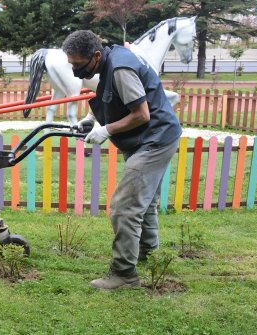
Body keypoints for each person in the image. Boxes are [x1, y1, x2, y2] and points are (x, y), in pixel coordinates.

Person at [61, 30, 182, 290]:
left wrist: (107, 130)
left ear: (95, 55)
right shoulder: (110, 59)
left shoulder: (120, 68)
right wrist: (92, 120)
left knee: (124, 206)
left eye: (78, 65)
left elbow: (141, 114)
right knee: (144, 202)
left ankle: (124, 274)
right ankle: (148, 253)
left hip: (154, 139)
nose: (74, 71)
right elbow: (112, 96)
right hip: (150, 138)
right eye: (71, 64)